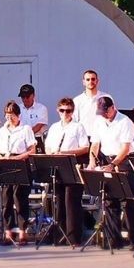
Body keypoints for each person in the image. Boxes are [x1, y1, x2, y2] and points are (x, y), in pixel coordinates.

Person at [88, 95, 134, 250]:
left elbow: (125, 148)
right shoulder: (99, 122)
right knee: (110, 201)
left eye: (106, 112)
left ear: (112, 108)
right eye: (102, 113)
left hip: (123, 161)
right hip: (107, 159)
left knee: (127, 201)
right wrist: (92, 162)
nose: (104, 115)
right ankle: (114, 238)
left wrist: (113, 164)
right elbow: (95, 144)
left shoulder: (125, 122)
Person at [42, 97, 89, 245]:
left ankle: (74, 236)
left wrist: (66, 153)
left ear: (72, 111)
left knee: (71, 201)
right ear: (58, 111)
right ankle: (60, 235)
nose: (65, 113)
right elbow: (48, 146)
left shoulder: (78, 127)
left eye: (68, 111)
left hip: (71, 163)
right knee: (59, 199)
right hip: (57, 164)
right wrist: (51, 153)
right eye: (62, 110)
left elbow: (85, 147)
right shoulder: (55, 127)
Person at [0, 100, 37, 243]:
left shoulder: (26, 129)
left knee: (20, 198)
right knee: (6, 199)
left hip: (20, 163)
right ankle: (8, 231)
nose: (9, 118)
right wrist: (0, 158)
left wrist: (17, 158)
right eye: (7, 115)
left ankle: (22, 231)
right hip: (6, 162)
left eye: (12, 115)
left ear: (18, 115)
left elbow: (32, 150)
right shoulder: (3, 130)